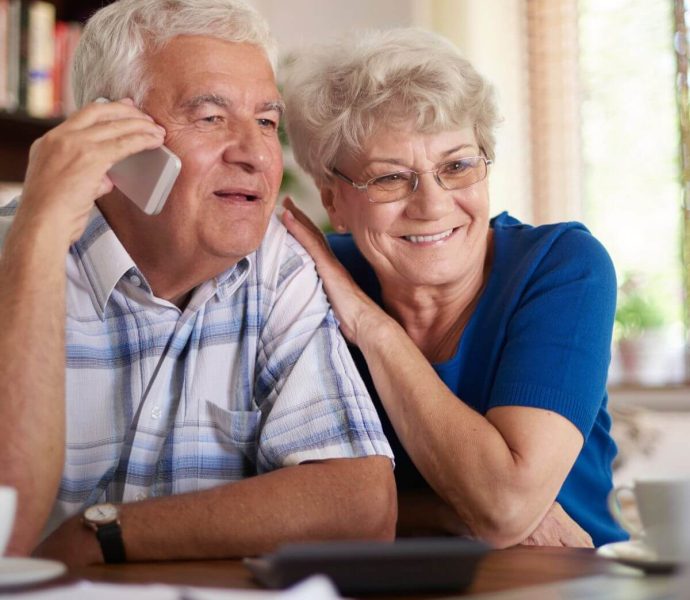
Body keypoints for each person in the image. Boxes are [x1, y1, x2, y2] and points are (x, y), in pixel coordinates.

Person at [0, 0, 396, 566]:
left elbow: (362, 506)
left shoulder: (275, 268)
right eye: (210, 117)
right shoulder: (14, 252)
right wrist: (35, 243)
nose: (257, 154)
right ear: (110, 137)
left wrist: (102, 533)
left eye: (265, 120)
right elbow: (5, 534)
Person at [280, 27, 628, 548]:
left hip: (570, 581)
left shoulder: (561, 268)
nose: (432, 205)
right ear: (334, 203)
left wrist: (373, 328)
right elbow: (261, 489)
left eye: (457, 166)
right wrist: (446, 513)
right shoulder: (308, 281)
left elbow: (503, 506)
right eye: (390, 178)